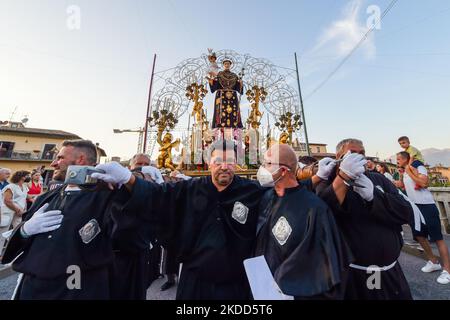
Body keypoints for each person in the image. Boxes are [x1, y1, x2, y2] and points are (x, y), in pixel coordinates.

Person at [94, 140, 266, 300]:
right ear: (208, 162)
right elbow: (157, 194)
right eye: (218, 160)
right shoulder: (188, 189)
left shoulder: (252, 191)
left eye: (230, 161)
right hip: (195, 279)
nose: (224, 166)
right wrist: (127, 178)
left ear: (236, 163)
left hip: (235, 281)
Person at [1, 140, 134, 299]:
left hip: (76, 288)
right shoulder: (45, 197)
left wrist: (127, 187)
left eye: (60, 158)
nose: (53, 163)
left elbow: (129, 234)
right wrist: (24, 230)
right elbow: (20, 242)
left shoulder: (107, 198)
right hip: (33, 287)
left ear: (80, 160)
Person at [313, 138, 413, 299]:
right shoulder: (328, 183)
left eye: (362, 154)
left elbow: (406, 212)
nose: (359, 158)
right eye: (353, 153)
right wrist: (343, 178)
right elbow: (323, 215)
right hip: (358, 274)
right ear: (339, 157)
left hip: (392, 271)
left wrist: (374, 196)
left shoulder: (378, 179)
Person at [253, 144, 352, 299]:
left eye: (268, 163)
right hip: (262, 285)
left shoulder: (315, 209)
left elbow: (323, 270)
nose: (262, 168)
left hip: (291, 293)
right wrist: (317, 177)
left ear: (283, 171)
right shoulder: (267, 196)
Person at [396, 151, 450, 284]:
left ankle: (447, 270)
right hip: (414, 207)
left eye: (398, 159)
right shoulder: (405, 170)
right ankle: (433, 261)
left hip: (427, 206)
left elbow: (424, 183)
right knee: (419, 236)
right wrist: (398, 181)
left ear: (405, 159)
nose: (396, 161)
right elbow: (404, 186)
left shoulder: (418, 166)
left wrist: (409, 172)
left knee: (437, 238)